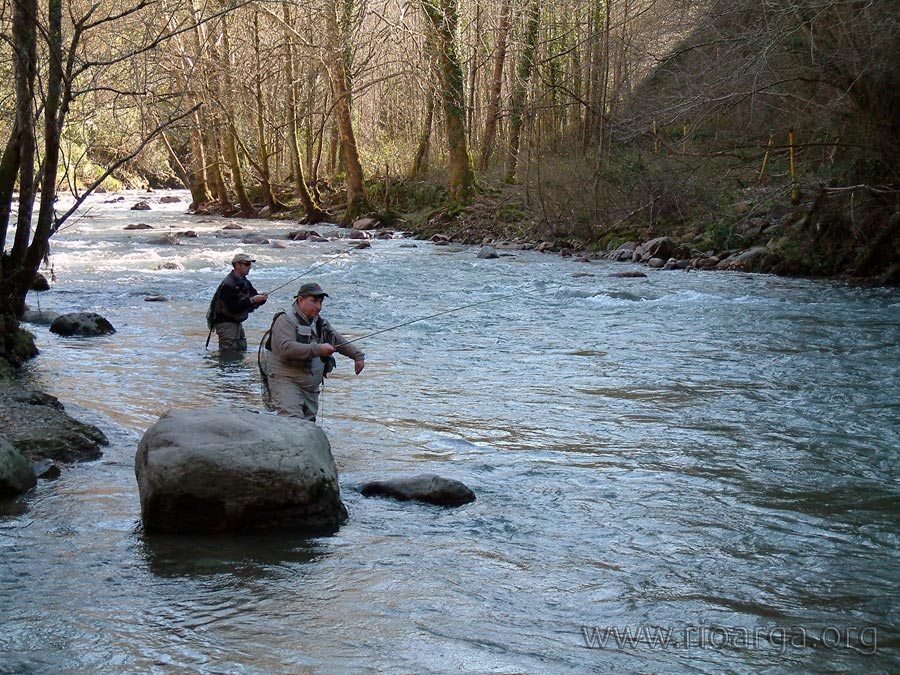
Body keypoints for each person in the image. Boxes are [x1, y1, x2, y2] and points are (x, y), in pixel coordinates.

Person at [262, 282, 365, 421]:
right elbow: (286, 348)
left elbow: (337, 340)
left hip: (310, 386)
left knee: (309, 426)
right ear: (300, 300)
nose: (318, 306)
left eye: (320, 302)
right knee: (292, 421)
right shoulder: (285, 319)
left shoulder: (320, 322)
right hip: (286, 380)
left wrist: (357, 356)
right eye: (314, 301)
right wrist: (319, 349)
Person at [208, 253, 268, 353]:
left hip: (236, 323)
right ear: (237, 265)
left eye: (250, 264)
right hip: (226, 324)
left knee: (241, 349)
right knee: (228, 354)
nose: (250, 267)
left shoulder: (244, 282)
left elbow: (253, 298)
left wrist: (262, 299)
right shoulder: (228, 284)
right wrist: (252, 300)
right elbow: (232, 307)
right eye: (247, 264)